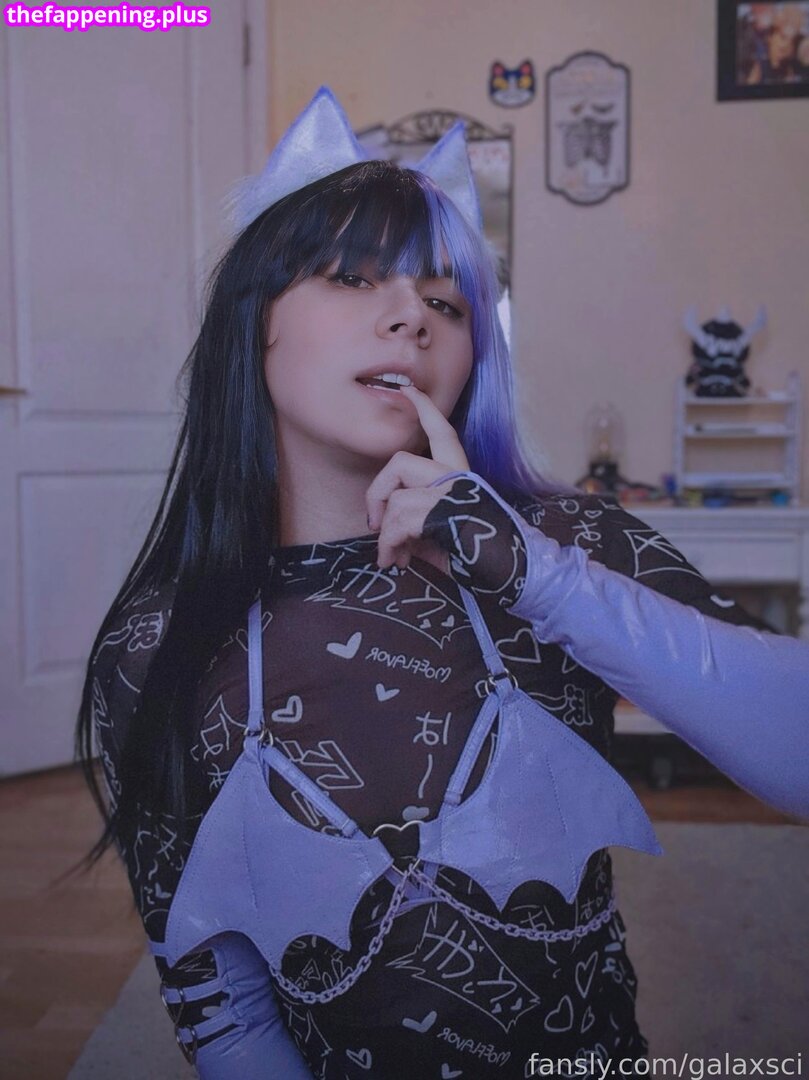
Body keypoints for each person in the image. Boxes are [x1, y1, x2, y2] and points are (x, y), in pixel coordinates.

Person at [76, 88, 809, 1080]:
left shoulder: (568, 545)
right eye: (351, 278)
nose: (408, 321)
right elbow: (219, 1009)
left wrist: (535, 576)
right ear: (251, 323)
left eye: (445, 303)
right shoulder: (155, 645)